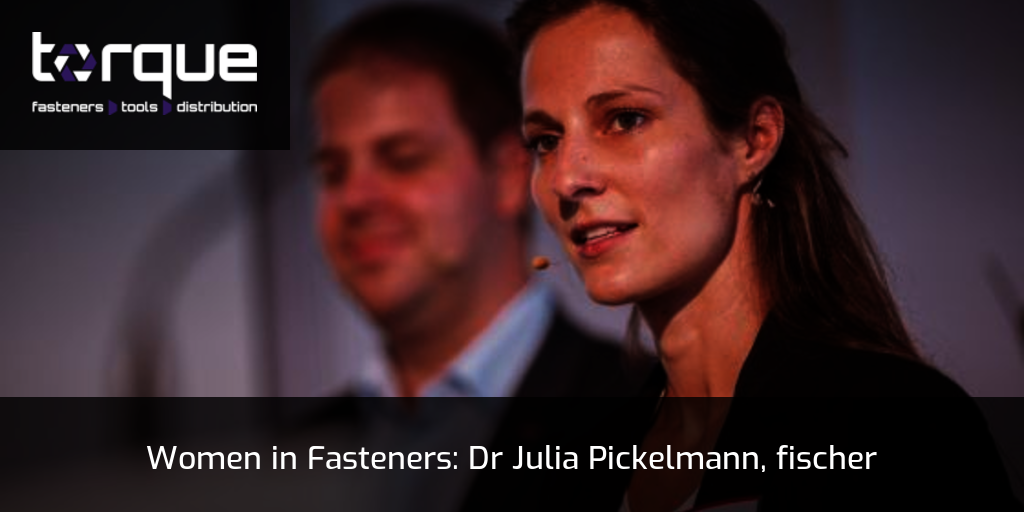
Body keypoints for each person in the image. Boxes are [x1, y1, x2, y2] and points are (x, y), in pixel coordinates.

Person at [507, 0, 1023, 510]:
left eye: (625, 119)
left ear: (755, 140)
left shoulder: (894, 425)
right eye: (546, 141)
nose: (567, 178)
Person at [306, 4, 655, 512]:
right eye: (333, 172)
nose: (355, 199)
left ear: (509, 174)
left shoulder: (653, 419)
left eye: (403, 159)